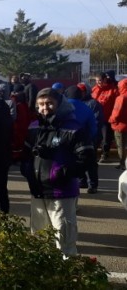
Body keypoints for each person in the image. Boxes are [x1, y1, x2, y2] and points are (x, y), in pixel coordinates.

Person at [20, 88, 92, 257]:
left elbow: (86, 159)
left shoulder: (73, 128)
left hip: (62, 193)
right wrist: (28, 171)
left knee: (64, 240)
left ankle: (67, 280)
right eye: (41, 104)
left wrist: (62, 174)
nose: (45, 108)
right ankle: (44, 279)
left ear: (59, 104)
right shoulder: (34, 127)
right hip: (38, 192)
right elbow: (25, 155)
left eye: (49, 103)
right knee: (39, 240)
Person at [64, 85, 99, 193]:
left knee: (72, 162)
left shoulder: (62, 107)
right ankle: (92, 185)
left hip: (66, 140)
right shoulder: (86, 108)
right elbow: (93, 127)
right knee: (90, 163)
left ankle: (81, 181)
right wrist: (90, 139)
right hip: (84, 140)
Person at [92, 71, 119, 163]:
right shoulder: (95, 89)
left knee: (106, 138)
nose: (98, 82)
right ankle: (94, 154)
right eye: (96, 81)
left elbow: (117, 104)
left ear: (104, 79)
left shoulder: (113, 90)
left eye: (99, 80)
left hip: (107, 118)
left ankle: (104, 154)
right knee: (95, 137)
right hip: (95, 118)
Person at [109, 78, 127, 171]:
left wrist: (111, 120)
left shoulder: (121, 98)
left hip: (120, 126)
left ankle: (122, 164)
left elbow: (116, 113)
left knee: (121, 146)